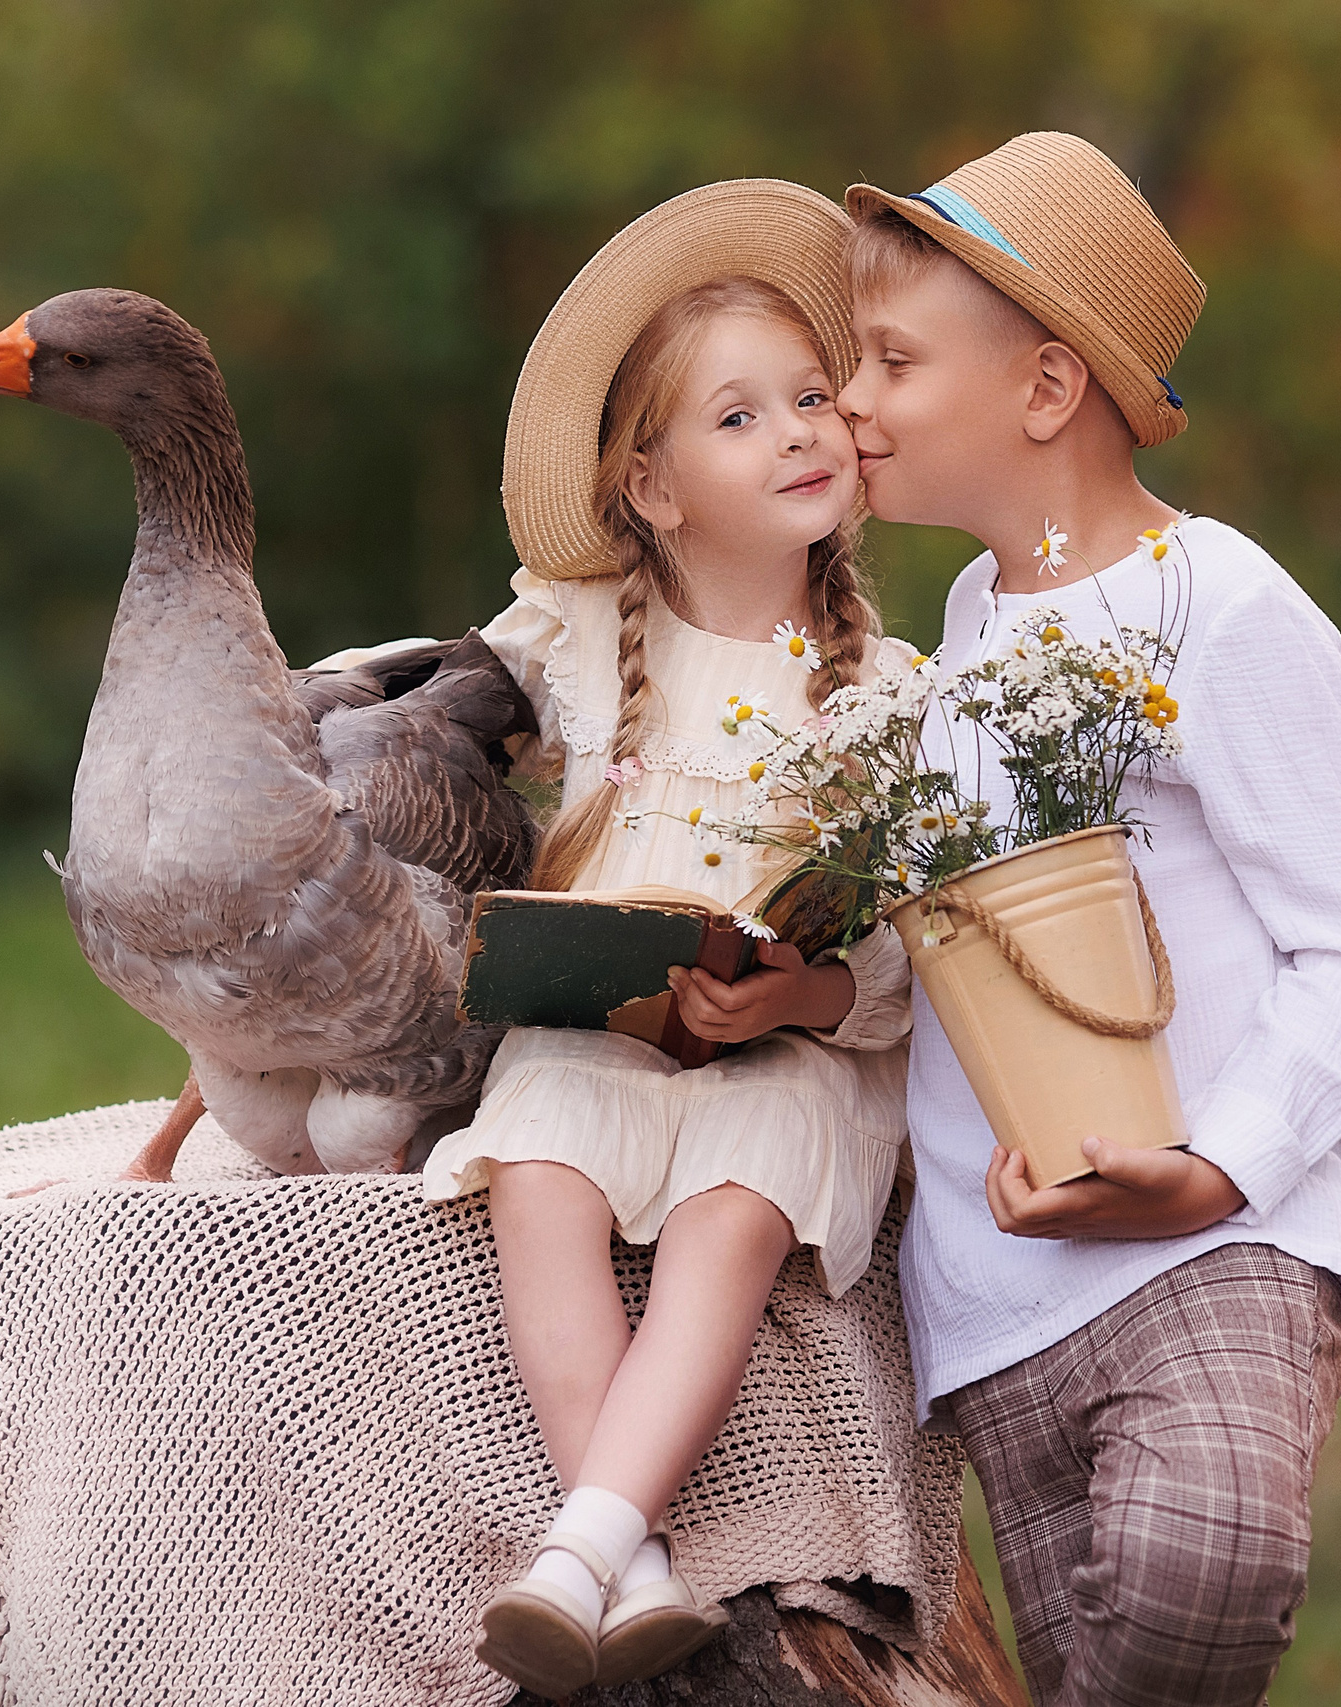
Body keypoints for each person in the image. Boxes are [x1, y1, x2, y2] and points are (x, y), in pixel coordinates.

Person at [831, 133, 1341, 1704]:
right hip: (1001, 1286)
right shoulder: (956, 636)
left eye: (892, 360)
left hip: (1213, 1237)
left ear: (1042, 392)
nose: (855, 401)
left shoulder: (1216, 601)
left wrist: (1218, 1162)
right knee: (1096, 1655)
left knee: (1202, 1562)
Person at [418, 182, 916, 1699]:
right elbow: (417, 728)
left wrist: (808, 988)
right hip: (599, 1022)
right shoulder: (568, 630)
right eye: (740, 417)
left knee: (730, 1214)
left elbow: (904, 958)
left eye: (812, 399)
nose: (800, 433)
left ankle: (582, 1545)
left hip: (782, 1049)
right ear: (650, 484)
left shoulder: (885, 688)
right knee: (543, 1173)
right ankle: (623, 1567)